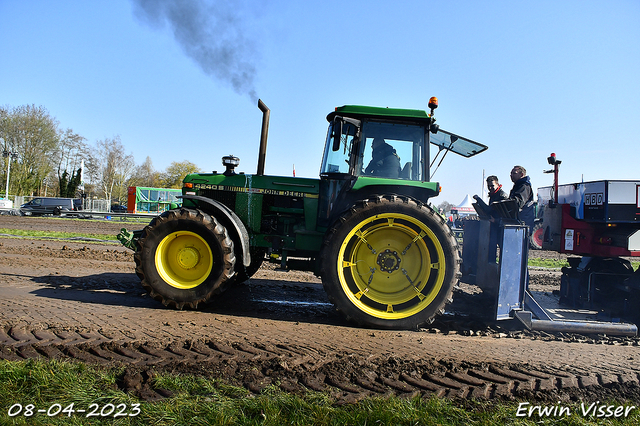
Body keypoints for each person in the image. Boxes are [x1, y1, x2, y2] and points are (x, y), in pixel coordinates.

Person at [508, 165, 535, 232]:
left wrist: (507, 203)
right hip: (519, 221)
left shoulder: (524, 187)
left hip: (523, 223)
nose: (511, 175)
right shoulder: (517, 186)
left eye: (514, 173)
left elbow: (518, 203)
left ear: (521, 174)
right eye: (511, 173)